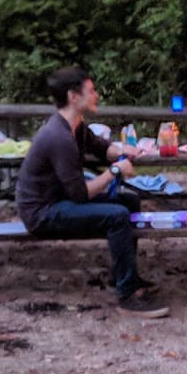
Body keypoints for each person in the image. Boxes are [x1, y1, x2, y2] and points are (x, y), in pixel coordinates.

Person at [15, 66, 168, 317]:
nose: (96, 95)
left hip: (58, 199)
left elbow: (100, 147)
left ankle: (123, 275)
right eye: (91, 90)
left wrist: (124, 153)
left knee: (130, 202)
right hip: (42, 213)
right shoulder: (59, 137)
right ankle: (127, 295)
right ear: (73, 97)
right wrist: (115, 172)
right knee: (117, 215)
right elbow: (81, 195)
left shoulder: (74, 126)